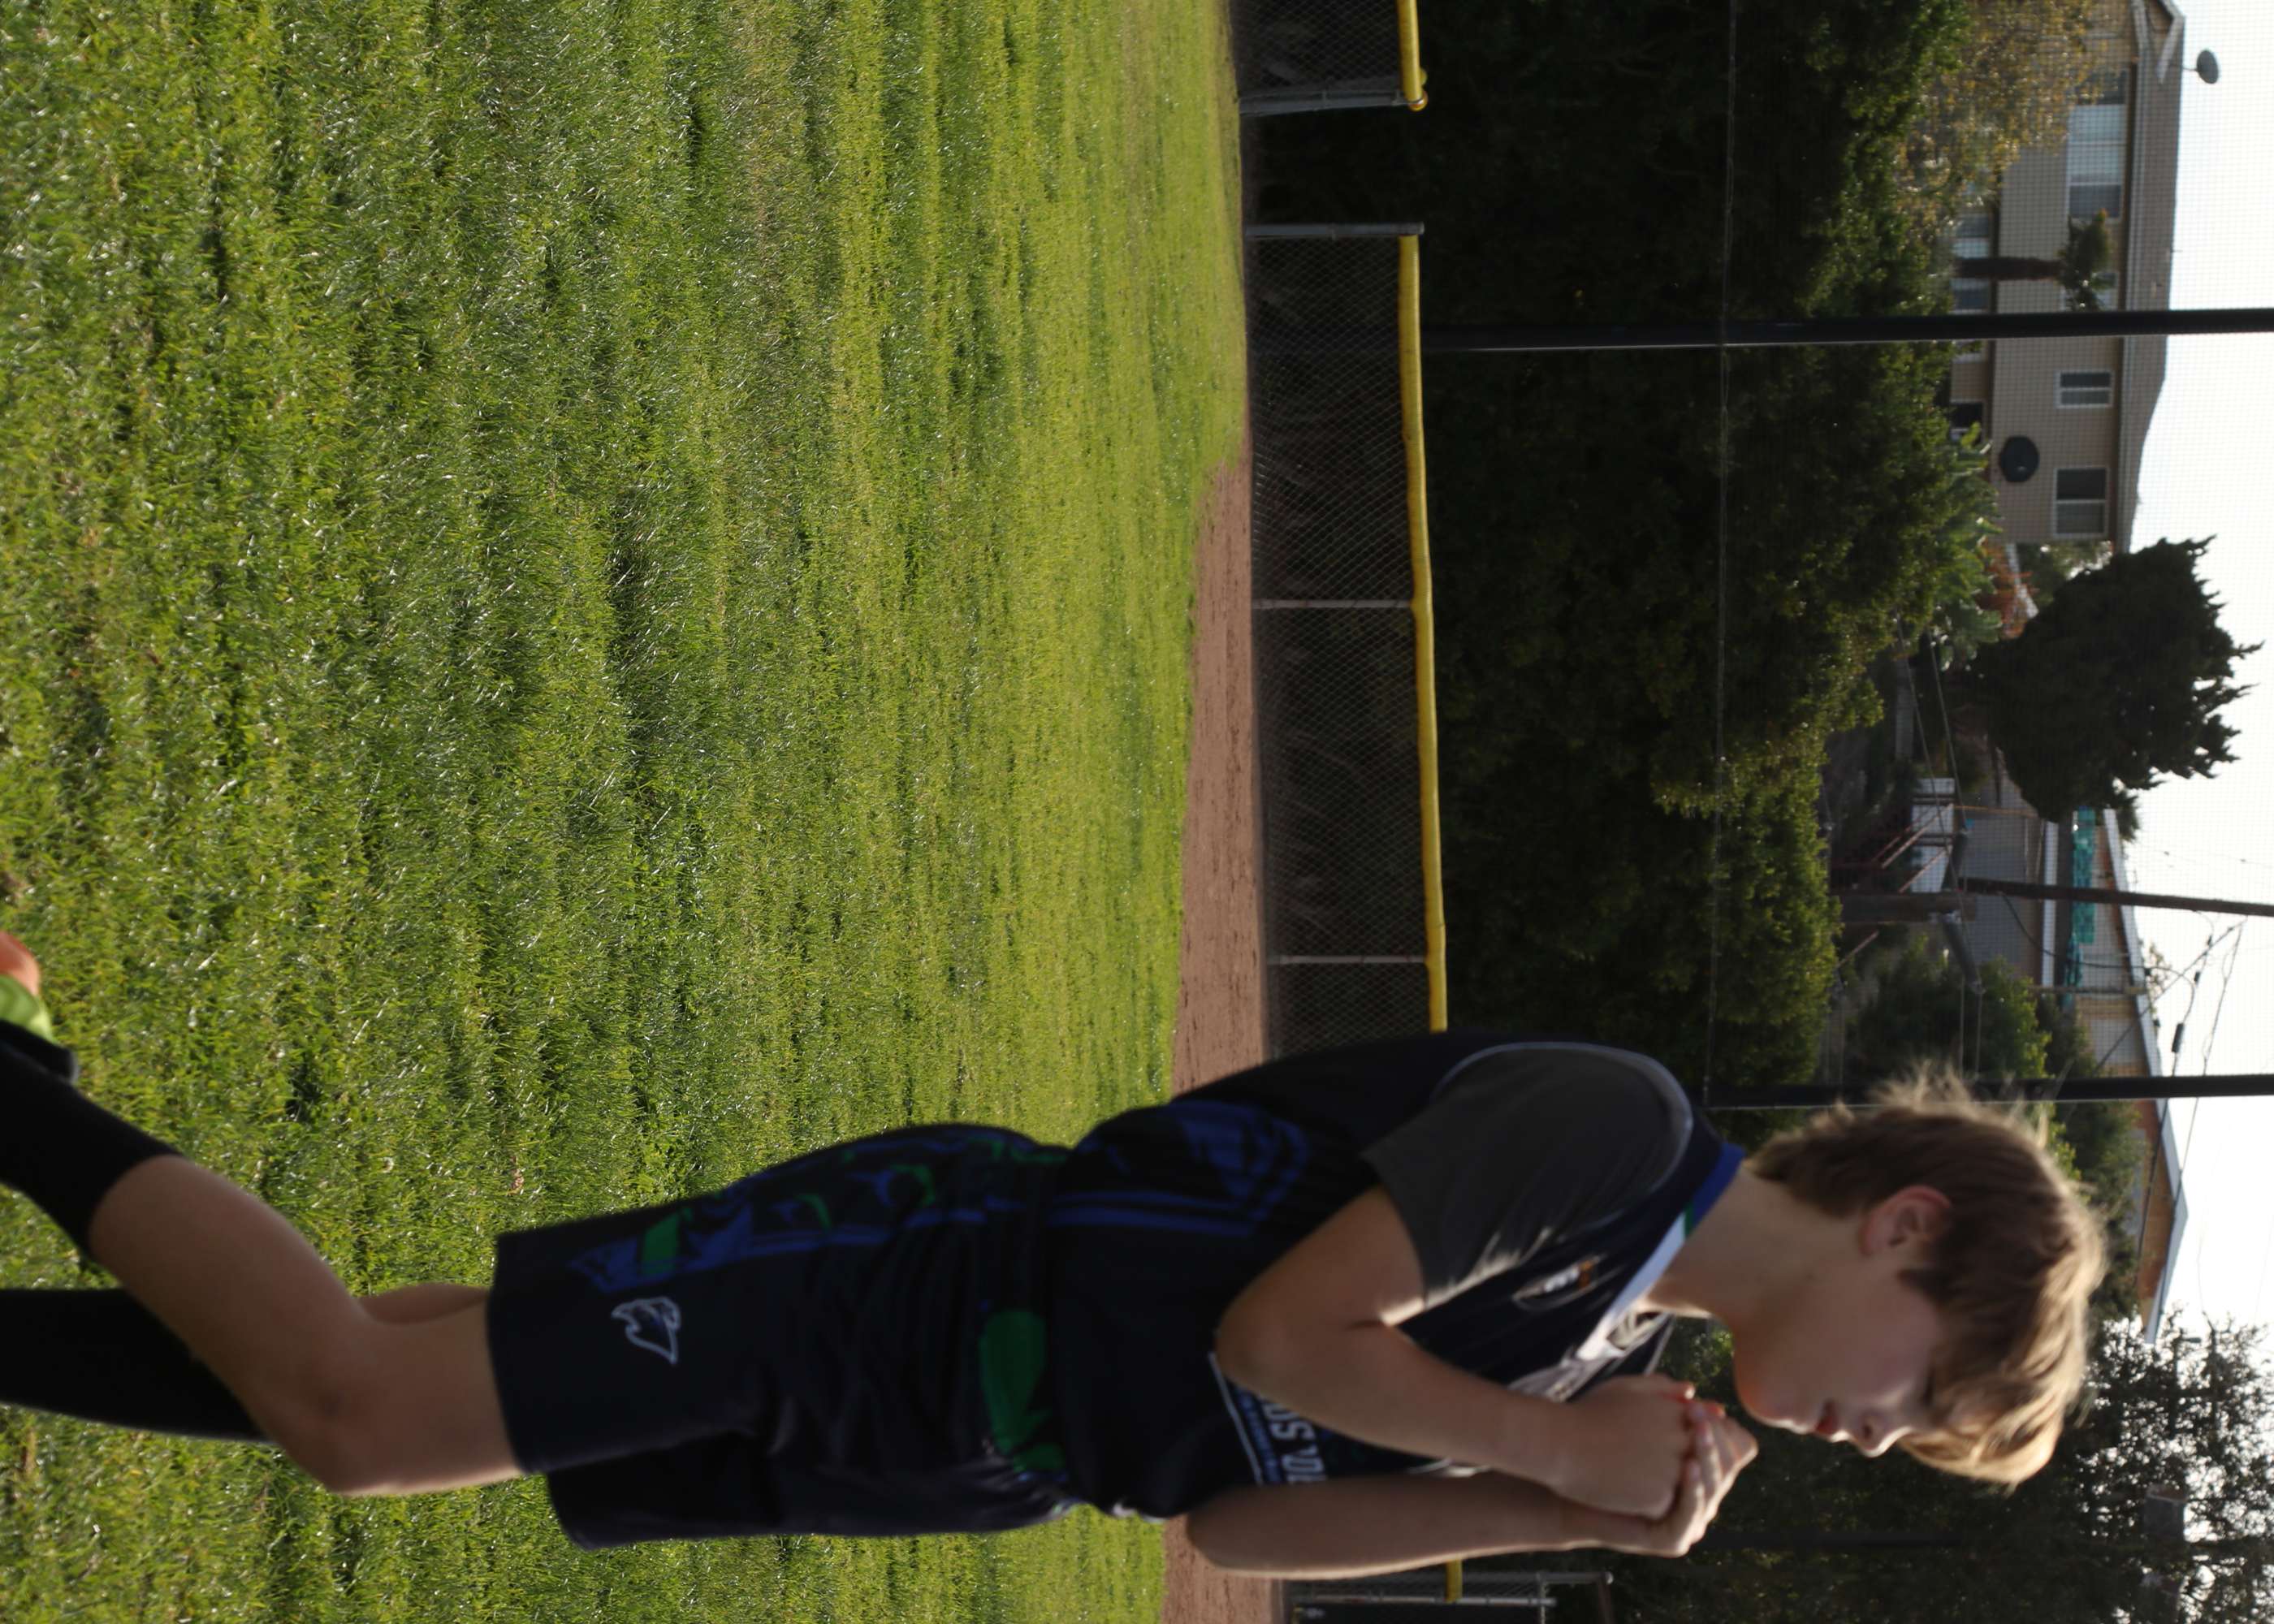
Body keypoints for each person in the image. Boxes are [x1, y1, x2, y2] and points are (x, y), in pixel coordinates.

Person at [0, 926, 2099, 1576]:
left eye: (1911, 1440)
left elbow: (1235, 1531)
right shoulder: (1616, 1142)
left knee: (401, 1371)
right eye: (1916, 1388)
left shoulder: (1598, 1354)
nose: (1873, 1428)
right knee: (367, 1412)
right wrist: (1552, 1451)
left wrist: (1548, 1501)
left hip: (972, 1445)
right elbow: (1283, 1333)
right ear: (1903, 1223)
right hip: (931, 1280)